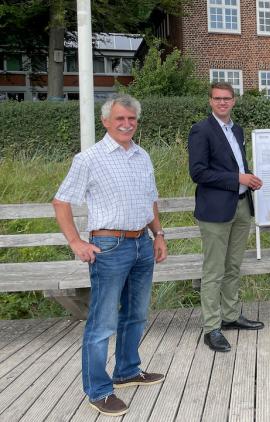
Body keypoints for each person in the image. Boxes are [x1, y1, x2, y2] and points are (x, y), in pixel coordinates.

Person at [52, 94, 168, 417]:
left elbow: (150, 201)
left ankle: (128, 369)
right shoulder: (89, 159)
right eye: (120, 119)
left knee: (136, 314)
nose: (126, 124)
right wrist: (76, 242)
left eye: (131, 119)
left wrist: (158, 234)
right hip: (109, 247)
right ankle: (99, 390)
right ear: (106, 121)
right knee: (102, 324)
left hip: (141, 244)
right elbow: (61, 202)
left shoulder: (143, 156)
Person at [188, 82, 265, 353]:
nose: (222, 102)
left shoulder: (237, 130)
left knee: (233, 266)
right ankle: (211, 328)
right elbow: (198, 172)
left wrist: (250, 177)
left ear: (234, 101)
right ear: (210, 101)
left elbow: (237, 165)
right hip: (215, 211)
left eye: (227, 98)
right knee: (214, 270)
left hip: (242, 206)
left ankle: (230, 316)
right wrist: (237, 178)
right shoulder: (201, 130)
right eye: (217, 98)